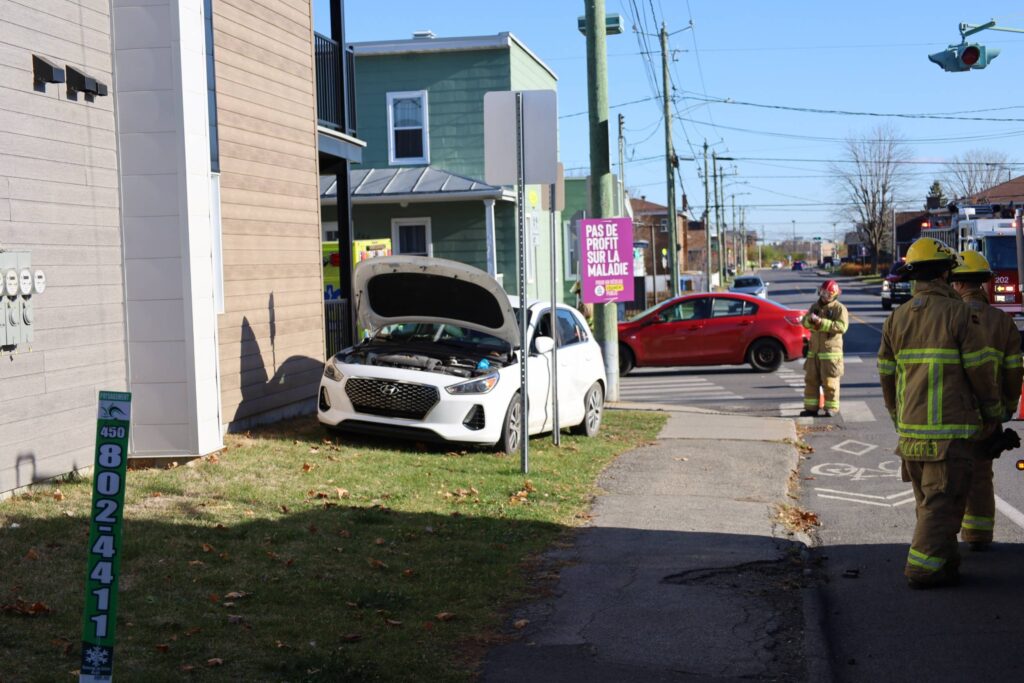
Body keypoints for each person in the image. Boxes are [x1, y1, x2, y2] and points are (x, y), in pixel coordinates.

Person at [878, 238, 1003, 589]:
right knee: (941, 505)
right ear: (947, 273)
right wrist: (992, 414)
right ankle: (922, 569)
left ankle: (946, 565)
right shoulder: (959, 314)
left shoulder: (896, 318)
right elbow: (979, 371)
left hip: (911, 434)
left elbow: (886, 376)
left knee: (931, 504)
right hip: (949, 436)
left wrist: (897, 419)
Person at [949, 250, 1024, 551]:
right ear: (984, 283)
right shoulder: (1002, 322)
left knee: (948, 476)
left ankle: (940, 538)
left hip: (952, 409)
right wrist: (1004, 409)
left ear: (956, 284)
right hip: (988, 412)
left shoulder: (950, 316)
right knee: (981, 475)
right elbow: (1014, 371)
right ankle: (979, 536)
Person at [800, 279, 848, 417]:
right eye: (822, 292)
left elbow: (841, 327)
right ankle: (811, 408)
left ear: (834, 294)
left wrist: (822, 323)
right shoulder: (815, 307)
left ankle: (831, 408)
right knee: (811, 381)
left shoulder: (839, 308)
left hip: (830, 354)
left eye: (827, 294)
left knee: (830, 382)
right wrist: (810, 321)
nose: (824, 296)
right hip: (814, 353)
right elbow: (804, 322)